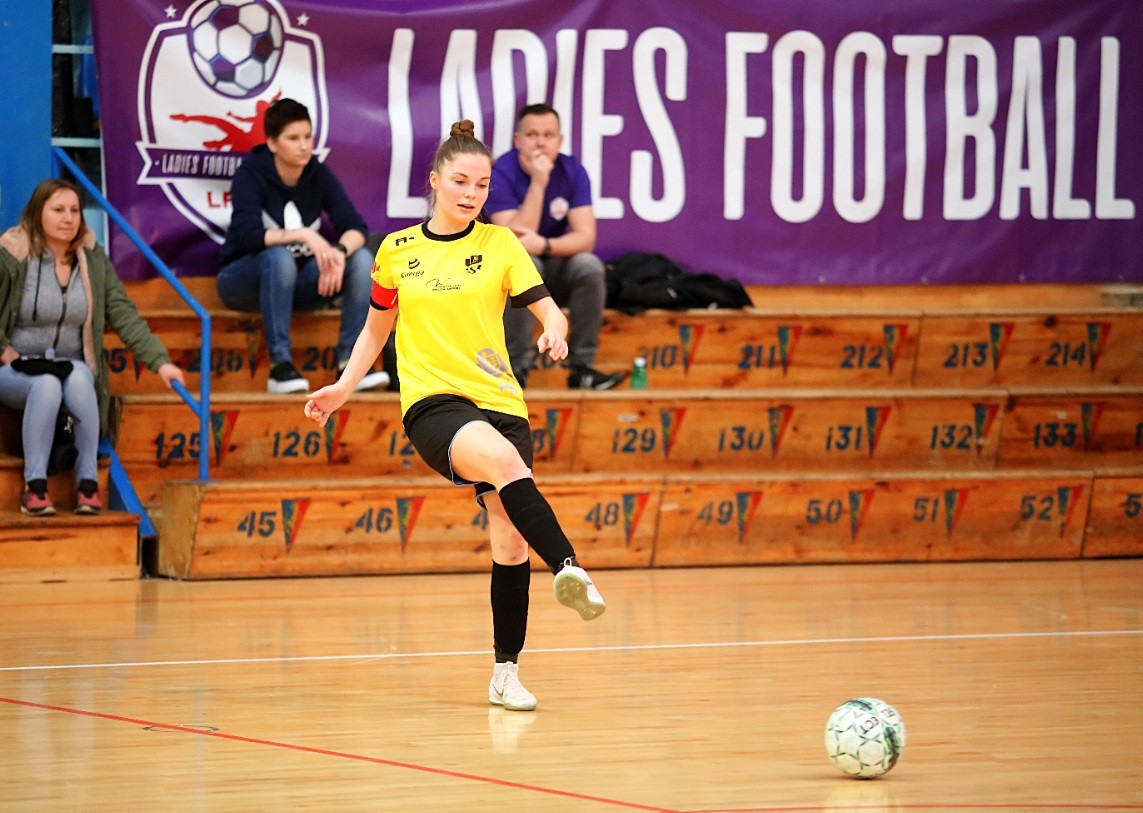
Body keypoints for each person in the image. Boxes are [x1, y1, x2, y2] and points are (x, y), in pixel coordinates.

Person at [304, 120, 607, 711]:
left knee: (510, 541)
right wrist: (343, 387)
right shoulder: (396, 251)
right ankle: (570, 567)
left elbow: (550, 310)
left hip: (501, 401)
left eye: (483, 185)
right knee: (503, 463)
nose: (472, 193)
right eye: (461, 181)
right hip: (433, 403)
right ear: (435, 180)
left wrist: (554, 329)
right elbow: (375, 331)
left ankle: (505, 673)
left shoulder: (501, 244)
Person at [0, 179, 186, 516]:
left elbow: (124, 313)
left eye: (75, 210)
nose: (68, 218)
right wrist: (3, 348)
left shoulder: (93, 260)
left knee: (82, 377)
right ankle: (35, 488)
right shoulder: (11, 255)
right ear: (37, 214)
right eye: (58, 210)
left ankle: (87, 485)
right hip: (15, 367)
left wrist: (160, 362)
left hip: (70, 364)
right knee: (46, 384)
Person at [218, 97, 388, 394]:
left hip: (300, 284)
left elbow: (356, 227)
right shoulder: (251, 173)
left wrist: (338, 252)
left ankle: (350, 364)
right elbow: (248, 235)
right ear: (272, 143)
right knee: (279, 259)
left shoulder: (317, 173)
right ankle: (279, 367)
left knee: (361, 260)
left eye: (307, 136)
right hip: (243, 283)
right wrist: (304, 235)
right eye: (293, 138)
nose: (303, 146)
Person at [485, 103, 624, 390]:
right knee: (526, 264)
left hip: (552, 264)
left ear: (559, 141)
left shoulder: (572, 170)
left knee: (588, 266)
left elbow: (586, 238)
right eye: (532, 135)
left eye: (548, 135)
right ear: (517, 140)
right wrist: (538, 183)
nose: (540, 143)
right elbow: (514, 242)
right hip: (506, 279)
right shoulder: (500, 172)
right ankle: (515, 369)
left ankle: (582, 368)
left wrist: (545, 245)